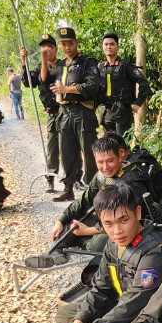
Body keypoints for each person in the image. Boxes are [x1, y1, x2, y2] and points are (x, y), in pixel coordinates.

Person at [16, 184, 162, 323]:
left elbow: (131, 307)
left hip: (146, 321)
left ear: (137, 212)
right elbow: (100, 289)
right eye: (108, 224)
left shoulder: (157, 251)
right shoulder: (113, 242)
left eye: (123, 220)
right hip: (118, 308)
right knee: (65, 315)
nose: (117, 231)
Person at [23, 134, 162, 267]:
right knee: (70, 222)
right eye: (100, 162)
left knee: (100, 243)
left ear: (120, 156)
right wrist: (61, 220)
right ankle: (56, 253)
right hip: (107, 220)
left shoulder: (132, 182)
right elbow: (83, 200)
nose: (105, 167)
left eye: (110, 161)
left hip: (128, 227)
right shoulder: (101, 176)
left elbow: (129, 220)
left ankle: (79, 245)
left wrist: (88, 231)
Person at [51, 26, 103, 202]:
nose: (67, 47)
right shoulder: (60, 65)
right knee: (66, 152)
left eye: (70, 43)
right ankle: (68, 188)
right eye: (63, 44)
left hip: (83, 111)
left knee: (89, 153)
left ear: (76, 43)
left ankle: (94, 190)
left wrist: (68, 89)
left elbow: (92, 86)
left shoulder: (88, 62)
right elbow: (46, 81)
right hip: (64, 112)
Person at [20, 34, 63, 193]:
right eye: (44, 47)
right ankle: (50, 179)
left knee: (71, 148)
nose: (47, 50)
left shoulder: (64, 65)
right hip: (52, 113)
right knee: (52, 149)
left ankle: (75, 179)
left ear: (55, 48)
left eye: (50, 46)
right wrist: (23, 62)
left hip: (68, 111)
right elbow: (27, 82)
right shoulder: (39, 67)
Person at [97, 32, 149, 140]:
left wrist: (138, 103)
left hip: (122, 111)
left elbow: (144, 83)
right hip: (106, 111)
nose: (108, 47)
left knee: (122, 146)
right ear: (102, 47)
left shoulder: (125, 66)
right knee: (108, 146)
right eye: (106, 44)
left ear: (118, 47)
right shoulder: (101, 67)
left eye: (112, 44)